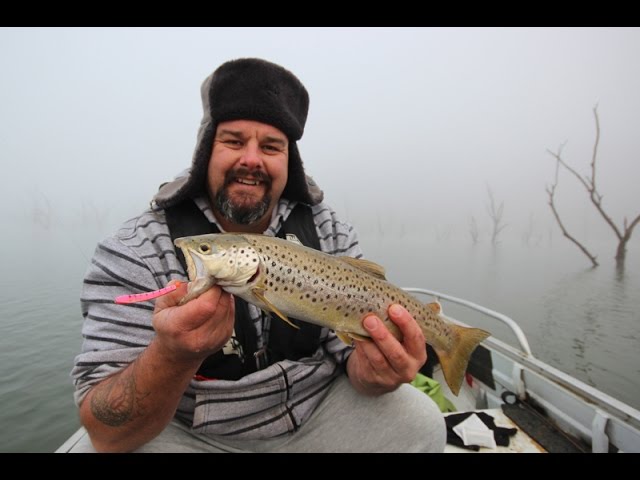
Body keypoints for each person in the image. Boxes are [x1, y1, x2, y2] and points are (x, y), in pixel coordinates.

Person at [70, 58, 446, 453]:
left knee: (421, 422)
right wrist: (173, 356)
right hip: (190, 430)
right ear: (205, 150)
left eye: (271, 146)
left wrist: (373, 373)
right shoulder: (135, 247)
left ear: (289, 161)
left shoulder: (328, 228)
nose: (251, 159)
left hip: (316, 410)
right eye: (233, 141)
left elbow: (351, 358)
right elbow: (105, 431)